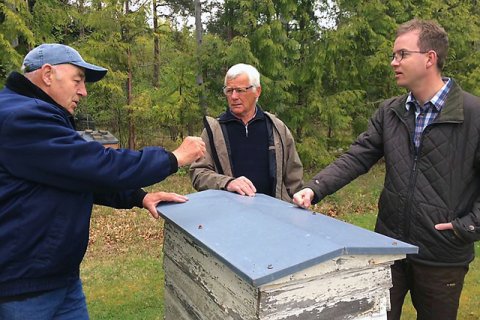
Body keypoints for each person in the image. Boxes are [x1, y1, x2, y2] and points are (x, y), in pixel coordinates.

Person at [0, 43, 206, 319]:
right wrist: (174, 158)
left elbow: (78, 176)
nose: (83, 91)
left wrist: (139, 196)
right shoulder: (22, 118)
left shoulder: (40, 114)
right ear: (48, 74)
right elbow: (100, 164)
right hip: (25, 285)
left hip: (58, 277)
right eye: (78, 80)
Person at [293, 19, 480, 320]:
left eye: (402, 54)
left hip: (442, 254)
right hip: (389, 247)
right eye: (394, 55)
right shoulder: (391, 111)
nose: (394, 62)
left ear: (430, 58)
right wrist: (315, 187)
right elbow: (357, 156)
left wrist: (467, 227)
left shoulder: (473, 114)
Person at [190, 63, 303, 202]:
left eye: (240, 90)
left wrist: (296, 208)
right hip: (227, 215)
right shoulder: (213, 131)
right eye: (229, 90)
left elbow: (294, 177)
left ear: (257, 91)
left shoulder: (277, 128)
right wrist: (227, 183)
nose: (234, 96)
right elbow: (198, 173)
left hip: (272, 216)